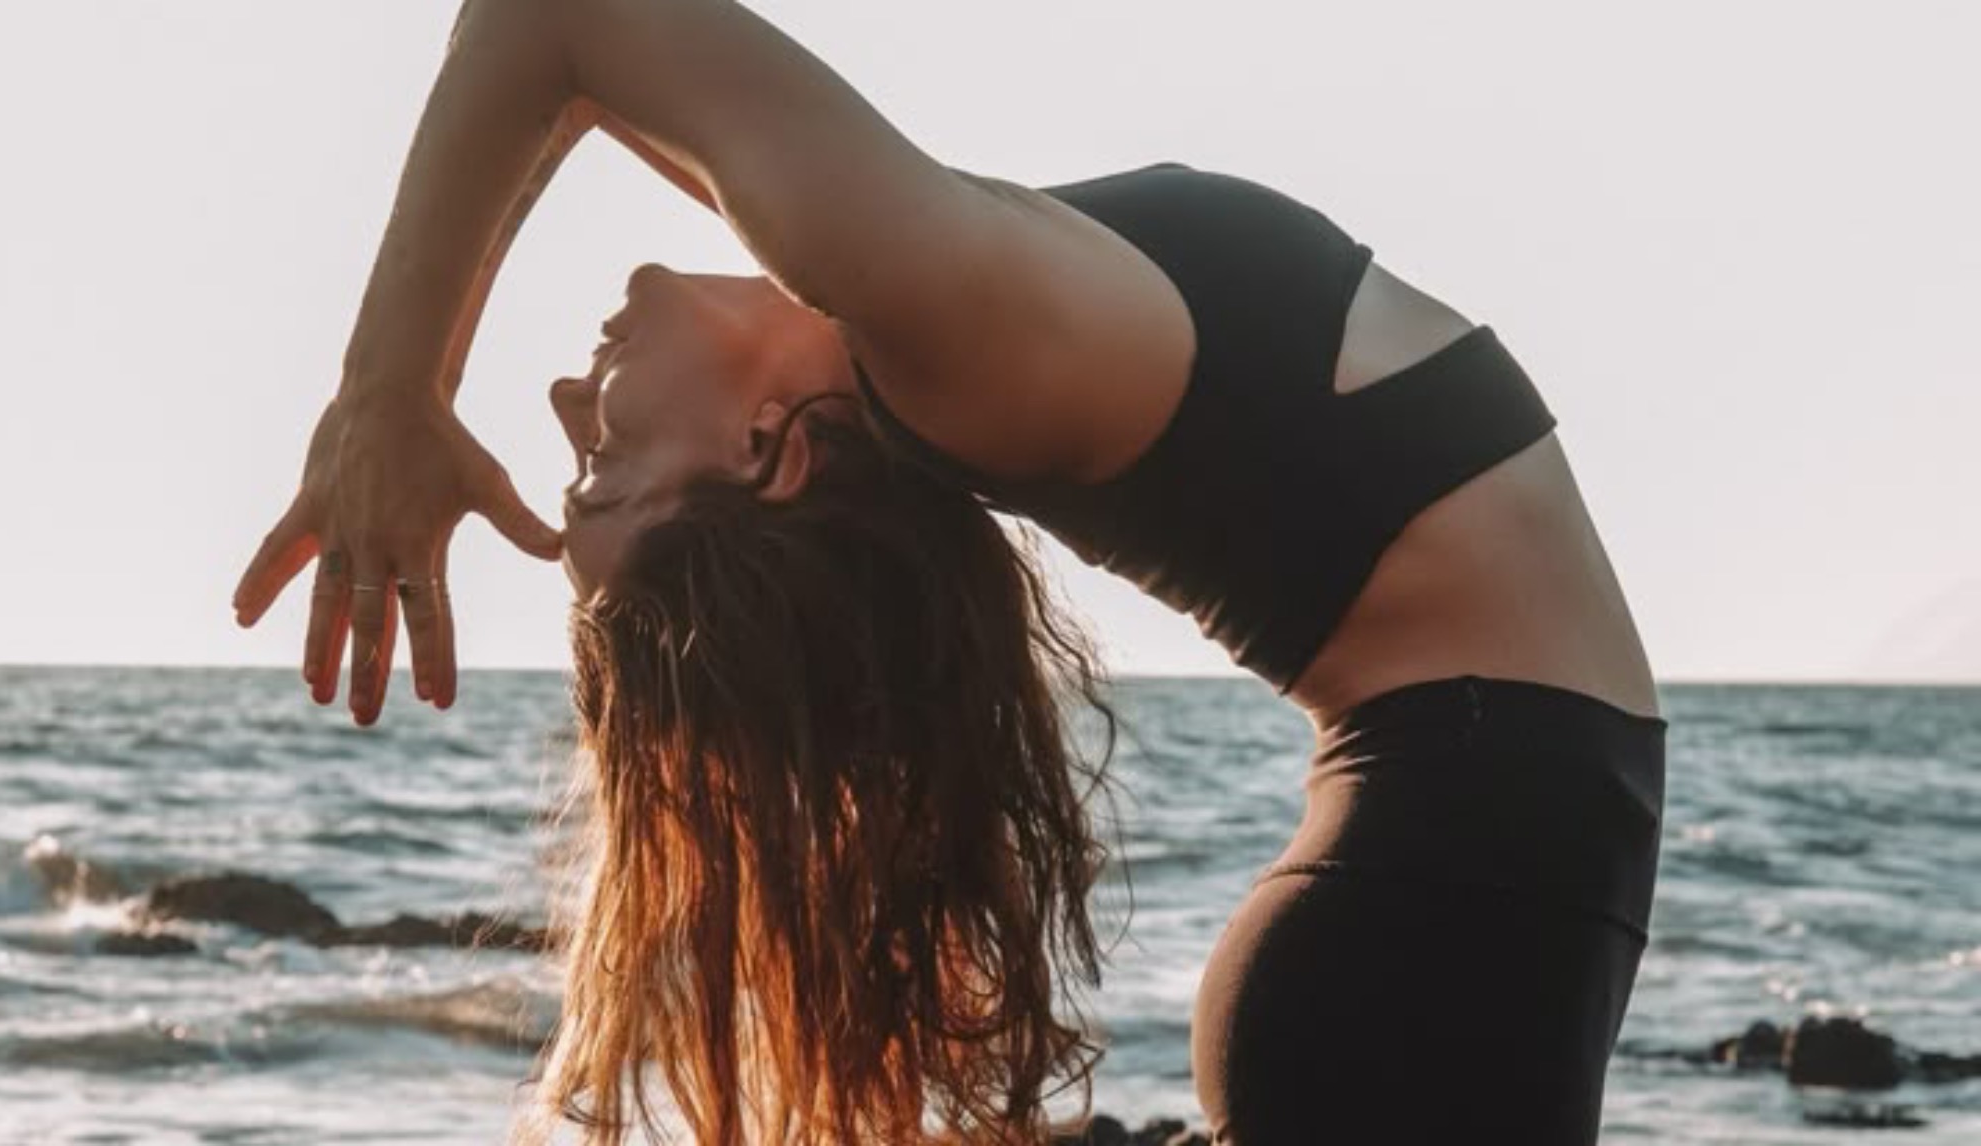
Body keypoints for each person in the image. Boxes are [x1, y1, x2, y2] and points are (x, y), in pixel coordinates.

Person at [231, 1, 1668, 1143]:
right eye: (603, 469)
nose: (563, 399)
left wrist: (404, 389)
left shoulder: (905, 324)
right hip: (1452, 889)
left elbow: (576, 62)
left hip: (1458, 882)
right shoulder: (937, 320)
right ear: (772, 453)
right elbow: (562, 18)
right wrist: (385, 391)